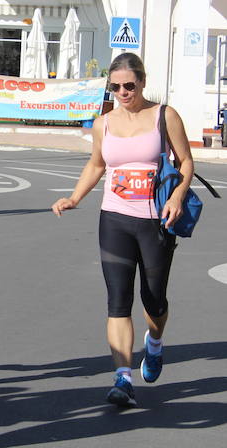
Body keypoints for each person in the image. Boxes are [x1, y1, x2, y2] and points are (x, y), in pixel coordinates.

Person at [52, 53, 193, 407]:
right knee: (118, 300)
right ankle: (122, 378)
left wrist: (176, 196)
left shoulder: (165, 116)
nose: (123, 92)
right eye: (115, 87)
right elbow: (96, 163)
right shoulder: (104, 123)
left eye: (129, 85)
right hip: (114, 219)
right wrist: (74, 197)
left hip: (156, 221)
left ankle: (155, 343)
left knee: (154, 298)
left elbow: (186, 160)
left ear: (142, 82)